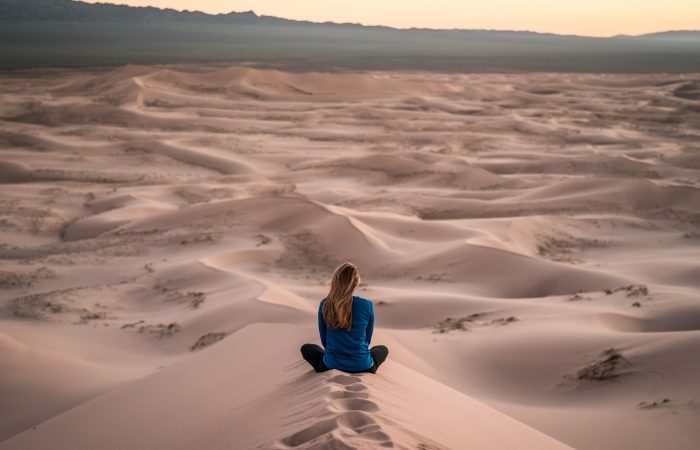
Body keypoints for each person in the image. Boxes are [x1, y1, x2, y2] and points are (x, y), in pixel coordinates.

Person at [300, 262, 388, 374]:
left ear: (335, 281)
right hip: (362, 365)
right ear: (356, 282)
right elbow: (367, 339)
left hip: (331, 364)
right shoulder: (367, 305)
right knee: (382, 349)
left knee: (307, 348)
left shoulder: (325, 304)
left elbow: (324, 340)